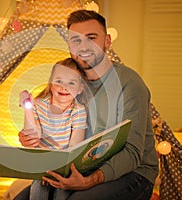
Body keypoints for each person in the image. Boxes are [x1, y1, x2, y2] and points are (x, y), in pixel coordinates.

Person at [15, 10, 158, 200]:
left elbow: (132, 153)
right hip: (79, 168)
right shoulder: (69, 83)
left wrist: (90, 180)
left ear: (107, 41)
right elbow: (51, 127)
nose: (83, 47)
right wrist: (31, 138)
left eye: (91, 38)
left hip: (133, 173)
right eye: (76, 40)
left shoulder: (130, 84)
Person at [19, 58, 88, 200]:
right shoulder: (39, 105)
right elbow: (33, 136)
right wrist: (28, 109)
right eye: (59, 81)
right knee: (38, 190)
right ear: (51, 85)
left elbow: (75, 146)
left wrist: (58, 170)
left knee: (62, 193)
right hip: (42, 165)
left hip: (65, 167)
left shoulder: (78, 111)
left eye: (71, 83)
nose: (64, 87)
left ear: (80, 88)